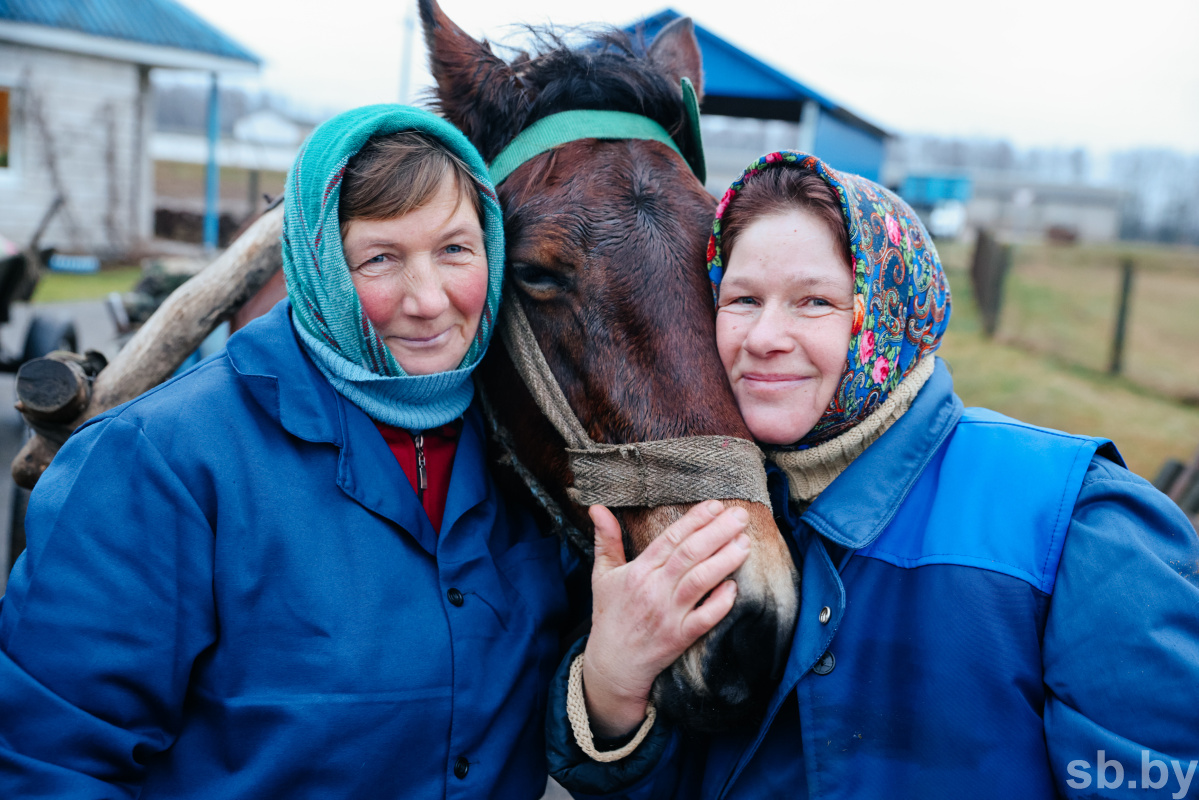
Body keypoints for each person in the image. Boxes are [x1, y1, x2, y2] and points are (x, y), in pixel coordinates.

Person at [546, 151, 1199, 799]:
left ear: (885, 311)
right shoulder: (709, 509)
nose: (764, 336)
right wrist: (609, 689)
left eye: (814, 301)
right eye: (741, 298)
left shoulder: (1073, 517)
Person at [2, 104, 580, 798]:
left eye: (455, 249)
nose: (428, 299)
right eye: (380, 258)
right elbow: (48, 758)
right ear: (317, 267)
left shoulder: (530, 447)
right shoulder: (160, 460)